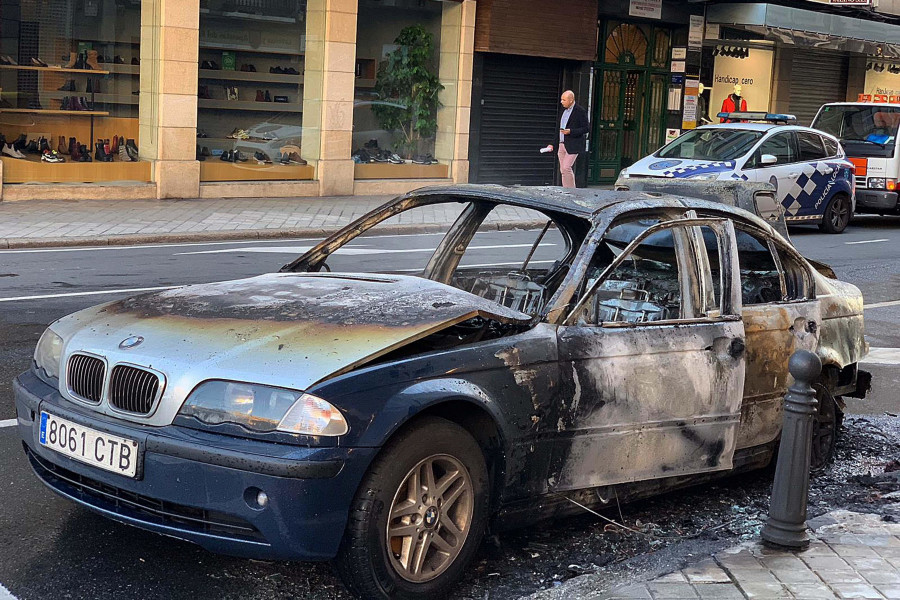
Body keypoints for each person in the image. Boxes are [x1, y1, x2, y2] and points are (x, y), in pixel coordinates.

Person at [555, 90, 590, 188]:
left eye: (564, 100)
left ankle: (571, 190)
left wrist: (571, 131)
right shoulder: (563, 110)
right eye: (561, 99)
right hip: (561, 143)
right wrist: (553, 143)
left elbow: (586, 128)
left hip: (573, 144)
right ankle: (566, 189)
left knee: (566, 167)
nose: (561, 102)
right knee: (563, 169)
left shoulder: (579, 111)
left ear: (571, 100)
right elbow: (558, 128)